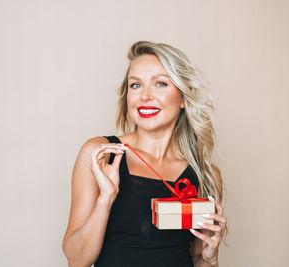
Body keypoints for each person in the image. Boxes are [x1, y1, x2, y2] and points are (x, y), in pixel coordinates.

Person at [62, 41, 227, 267]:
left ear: (183, 98)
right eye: (135, 85)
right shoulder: (101, 155)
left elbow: (198, 259)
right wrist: (105, 198)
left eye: (160, 83)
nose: (144, 96)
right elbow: (76, 260)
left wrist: (211, 258)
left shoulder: (206, 175)